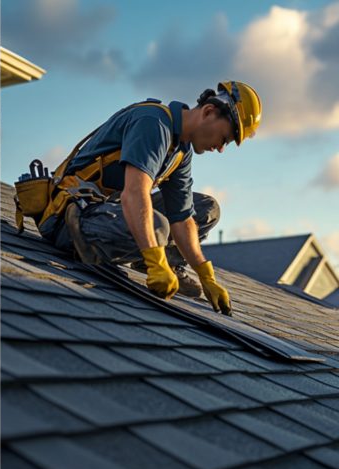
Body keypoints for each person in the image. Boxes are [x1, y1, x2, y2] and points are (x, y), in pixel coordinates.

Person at [38, 81, 262, 316]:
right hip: (73, 217)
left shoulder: (180, 150)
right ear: (208, 112)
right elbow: (135, 193)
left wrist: (206, 276)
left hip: (111, 213)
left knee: (206, 209)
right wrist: (156, 260)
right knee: (157, 226)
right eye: (225, 138)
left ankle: (153, 257)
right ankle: (147, 254)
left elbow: (183, 218)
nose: (221, 149)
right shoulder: (153, 123)